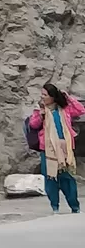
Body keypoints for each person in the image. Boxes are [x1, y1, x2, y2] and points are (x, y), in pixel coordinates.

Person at [32, 84, 82, 214]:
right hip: (48, 149)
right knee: (50, 178)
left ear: (53, 97)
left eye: (45, 95)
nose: (42, 97)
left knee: (67, 178)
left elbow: (80, 110)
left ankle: (74, 207)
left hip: (65, 148)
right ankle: (55, 207)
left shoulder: (64, 109)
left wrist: (68, 97)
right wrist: (40, 115)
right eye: (42, 94)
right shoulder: (40, 109)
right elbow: (33, 124)